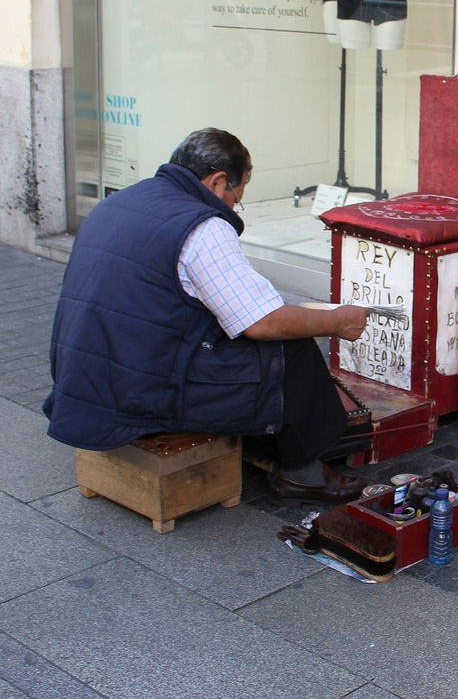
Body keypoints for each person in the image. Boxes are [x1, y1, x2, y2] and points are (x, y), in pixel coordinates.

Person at [43, 128, 371, 503]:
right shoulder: (202, 226)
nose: (233, 207)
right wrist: (337, 321)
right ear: (217, 182)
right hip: (137, 391)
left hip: (83, 379)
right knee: (291, 349)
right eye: (236, 198)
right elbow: (262, 322)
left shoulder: (123, 200)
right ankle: (304, 476)